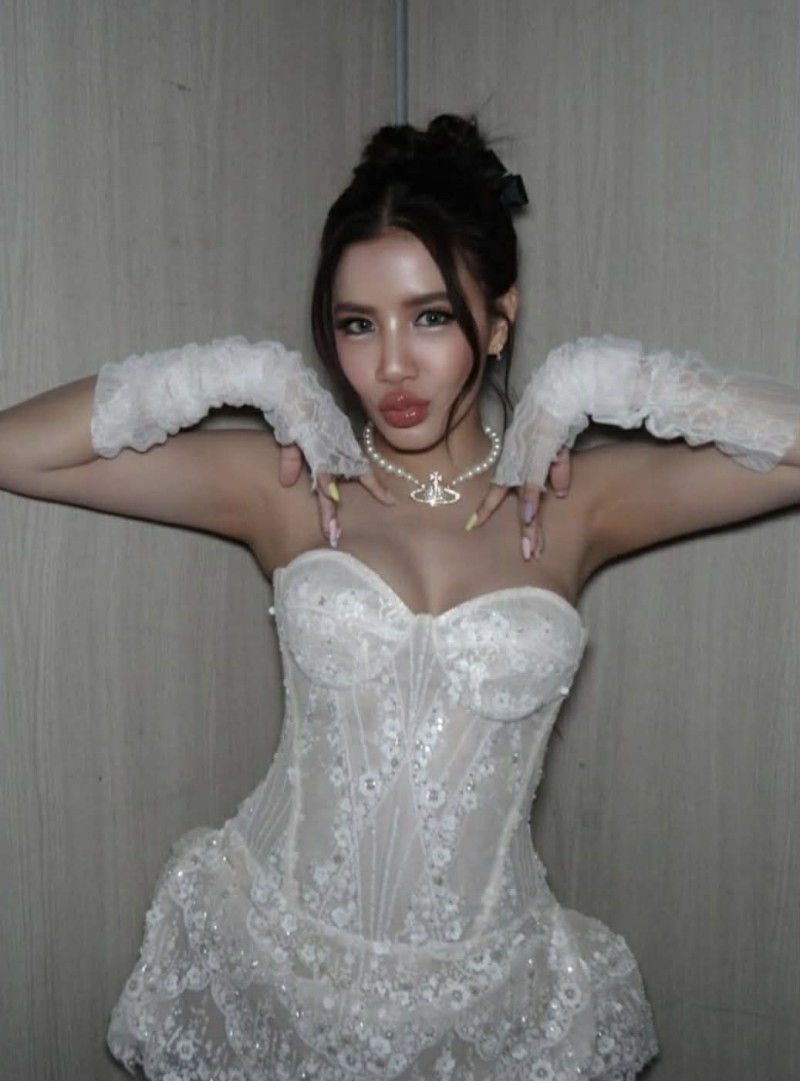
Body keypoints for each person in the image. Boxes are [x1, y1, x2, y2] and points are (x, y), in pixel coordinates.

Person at [1, 114, 798, 1081]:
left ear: (497, 321)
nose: (390, 367)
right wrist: (235, 372)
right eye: (357, 324)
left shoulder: (574, 503)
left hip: (487, 1005)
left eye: (430, 317)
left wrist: (607, 379)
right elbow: (17, 449)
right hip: (274, 962)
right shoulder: (292, 488)